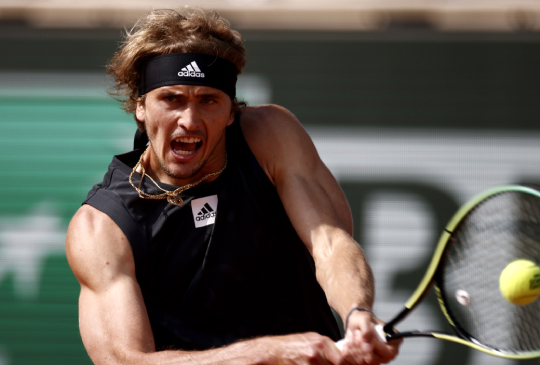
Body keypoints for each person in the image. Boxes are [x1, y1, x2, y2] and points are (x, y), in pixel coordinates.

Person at [65, 7, 401, 365]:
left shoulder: (270, 137)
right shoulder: (102, 228)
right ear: (140, 106)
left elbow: (331, 242)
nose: (189, 120)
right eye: (172, 99)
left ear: (230, 111)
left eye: (208, 100)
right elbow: (127, 361)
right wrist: (267, 354)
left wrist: (356, 313)